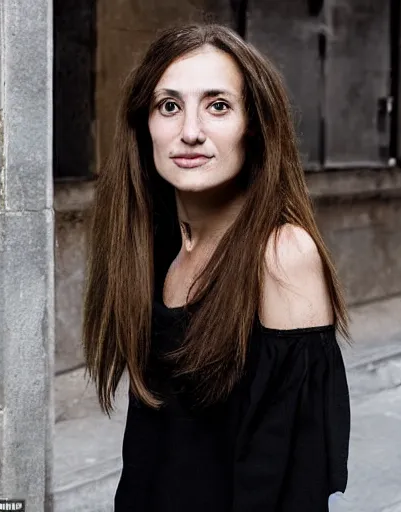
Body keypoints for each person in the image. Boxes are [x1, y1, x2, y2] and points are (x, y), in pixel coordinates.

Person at [82, 23, 351, 512]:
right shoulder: (156, 242)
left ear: (255, 126)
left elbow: (292, 481)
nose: (189, 131)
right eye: (169, 106)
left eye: (218, 105)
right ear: (145, 125)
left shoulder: (281, 255)